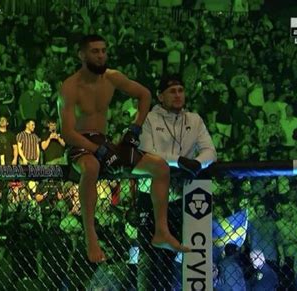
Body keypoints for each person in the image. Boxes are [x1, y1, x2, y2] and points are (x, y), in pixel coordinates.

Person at [58, 34, 190, 263]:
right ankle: (91, 236)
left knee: (160, 167)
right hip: (81, 145)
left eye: (103, 50)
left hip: (106, 142)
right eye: (95, 51)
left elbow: (145, 95)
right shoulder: (70, 87)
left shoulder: (112, 78)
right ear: (82, 55)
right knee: (90, 167)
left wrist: (134, 130)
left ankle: (161, 231)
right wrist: (95, 150)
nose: (101, 56)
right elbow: (68, 132)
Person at [139, 73, 217, 173]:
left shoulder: (195, 120)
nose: (177, 95)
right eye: (172, 91)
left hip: (186, 182)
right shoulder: (148, 118)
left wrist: (197, 164)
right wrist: (178, 161)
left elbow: (211, 152)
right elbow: (146, 153)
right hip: (154, 180)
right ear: (161, 97)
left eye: (180, 91)